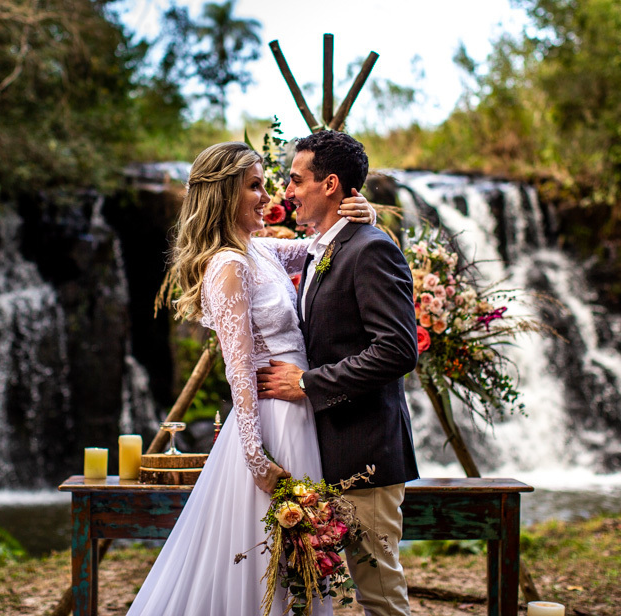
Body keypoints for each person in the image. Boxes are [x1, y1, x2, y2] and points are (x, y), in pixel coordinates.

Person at [125, 141, 375, 616]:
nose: (268, 196)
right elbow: (238, 370)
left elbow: (324, 250)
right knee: (264, 559)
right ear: (222, 195)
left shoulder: (260, 251)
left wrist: (361, 217)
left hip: (299, 411)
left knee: (298, 558)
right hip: (273, 423)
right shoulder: (227, 265)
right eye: (255, 187)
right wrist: (256, 457)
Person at [257, 129, 419, 616]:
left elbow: (397, 349)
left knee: (380, 595)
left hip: (366, 452)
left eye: (295, 180)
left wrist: (308, 384)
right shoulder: (320, 248)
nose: (286, 192)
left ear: (330, 185)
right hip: (323, 452)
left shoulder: (369, 248)